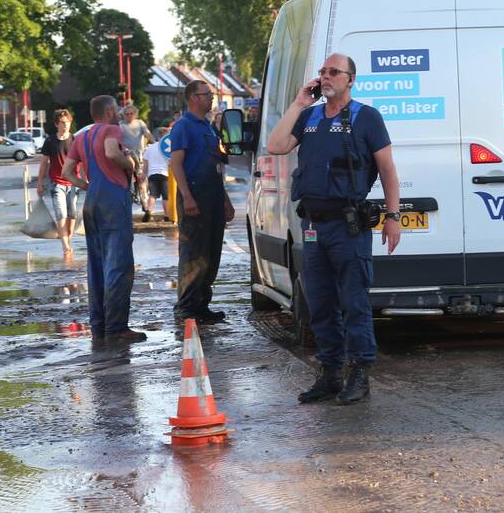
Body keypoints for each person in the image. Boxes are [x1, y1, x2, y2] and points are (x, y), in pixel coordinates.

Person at [266, 53, 401, 406]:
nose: (326, 77)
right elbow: (275, 146)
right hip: (314, 225)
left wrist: (393, 216)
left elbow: (387, 169)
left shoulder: (366, 117)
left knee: (354, 302)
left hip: (348, 226)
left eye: (334, 72)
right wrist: (299, 103)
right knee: (321, 302)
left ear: (350, 79)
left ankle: (359, 372)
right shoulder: (309, 116)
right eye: (323, 72)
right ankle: (330, 373)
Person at [62, 95, 145, 343]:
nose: (119, 114)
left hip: (92, 202)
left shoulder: (82, 137)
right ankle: (117, 328)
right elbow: (111, 153)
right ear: (109, 111)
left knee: (96, 265)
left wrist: (87, 186)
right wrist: (130, 164)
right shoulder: (111, 130)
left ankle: (99, 325)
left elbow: (67, 171)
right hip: (113, 199)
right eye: (116, 110)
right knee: (118, 264)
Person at [169, 81, 236, 324]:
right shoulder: (183, 126)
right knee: (194, 254)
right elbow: (176, 164)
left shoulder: (208, 127)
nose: (211, 98)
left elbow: (215, 166)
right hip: (195, 196)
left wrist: (225, 198)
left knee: (210, 253)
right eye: (207, 94)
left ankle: (202, 305)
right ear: (194, 98)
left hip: (213, 196)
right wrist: (187, 196)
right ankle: (186, 307)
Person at [37, 109, 80, 256]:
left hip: (73, 183)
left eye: (67, 122)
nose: (65, 125)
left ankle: (68, 240)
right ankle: (66, 246)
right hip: (57, 183)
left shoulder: (75, 140)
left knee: (72, 215)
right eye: (62, 123)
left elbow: (82, 162)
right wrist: (39, 183)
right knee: (61, 214)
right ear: (56, 124)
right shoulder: (50, 141)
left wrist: (85, 179)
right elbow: (44, 163)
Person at [120, 104, 156, 221]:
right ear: (124, 115)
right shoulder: (121, 126)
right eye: (127, 114)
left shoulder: (140, 123)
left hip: (140, 155)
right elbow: (119, 141)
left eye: (131, 113)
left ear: (135, 114)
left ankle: (146, 207)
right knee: (126, 181)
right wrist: (124, 149)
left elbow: (148, 134)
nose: (129, 116)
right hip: (127, 155)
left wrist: (156, 144)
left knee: (142, 180)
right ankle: (127, 207)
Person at [143, 127, 170, 219]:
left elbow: (145, 163)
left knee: (153, 195)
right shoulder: (167, 148)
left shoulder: (149, 148)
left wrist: (144, 174)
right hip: (165, 173)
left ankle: (148, 211)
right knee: (166, 196)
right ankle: (167, 215)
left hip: (152, 174)